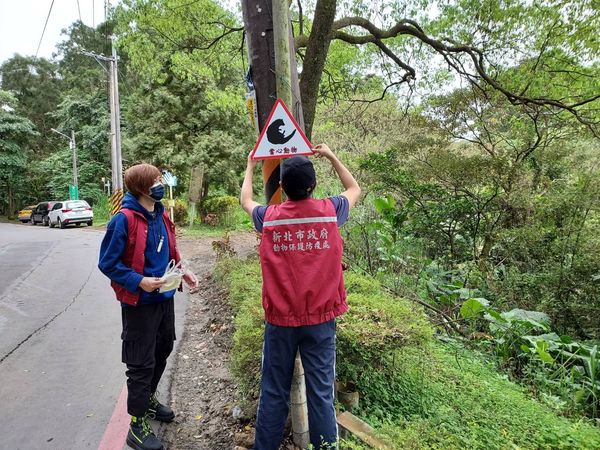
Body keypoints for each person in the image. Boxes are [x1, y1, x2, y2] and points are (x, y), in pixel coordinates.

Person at [240, 144, 361, 450]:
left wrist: (251, 166)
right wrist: (332, 156)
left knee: (273, 392)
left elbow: (245, 200)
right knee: (320, 394)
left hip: (280, 321)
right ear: (313, 185)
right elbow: (354, 187)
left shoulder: (269, 217)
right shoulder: (330, 211)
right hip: (321, 321)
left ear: (281, 186)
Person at [98, 163, 198, 450]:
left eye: (159, 178)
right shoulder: (124, 220)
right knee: (140, 362)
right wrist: (138, 281)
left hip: (164, 298)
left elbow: (170, 249)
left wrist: (183, 271)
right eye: (154, 180)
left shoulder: (161, 214)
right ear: (142, 188)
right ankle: (136, 425)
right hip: (139, 304)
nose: (160, 183)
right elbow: (107, 263)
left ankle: (149, 399)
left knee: (163, 349)